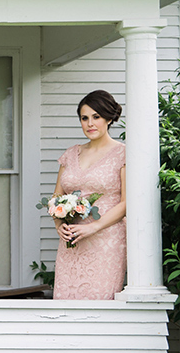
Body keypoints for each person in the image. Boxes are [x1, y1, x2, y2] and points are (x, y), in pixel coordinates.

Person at [52, 90, 127, 300]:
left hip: (106, 241)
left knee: (99, 302)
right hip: (72, 241)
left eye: (96, 117)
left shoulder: (122, 154)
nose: (89, 124)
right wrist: (60, 226)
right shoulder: (70, 154)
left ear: (109, 118)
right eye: (84, 118)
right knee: (66, 301)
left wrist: (93, 227)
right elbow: (56, 197)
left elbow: (126, 203)